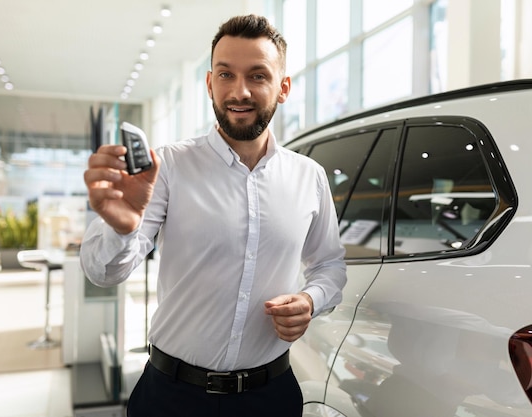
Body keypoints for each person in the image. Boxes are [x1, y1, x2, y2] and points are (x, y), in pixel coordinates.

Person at [81, 14, 347, 417]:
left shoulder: (308, 176)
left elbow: (329, 265)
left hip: (271, 397)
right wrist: (121, 228)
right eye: (226, 75)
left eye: (258, 76)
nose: (239, 91)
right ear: (210, 83)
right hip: (171, 398)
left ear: (283, 88)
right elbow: (103, 273)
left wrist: (311, 299)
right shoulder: (168, 166)